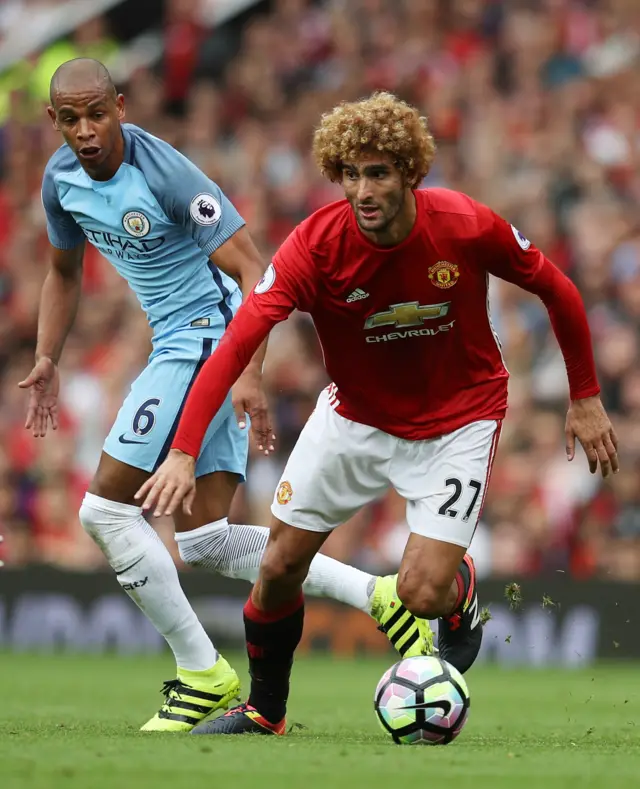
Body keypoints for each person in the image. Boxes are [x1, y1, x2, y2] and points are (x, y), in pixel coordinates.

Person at [137, 91, 619, 737]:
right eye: (351, 174)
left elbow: (555, 287)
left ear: (410, 173)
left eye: (378, 173)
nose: (362, 190)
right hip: (354, 417)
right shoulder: (314, 247)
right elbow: (239, 340)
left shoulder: (465, 224)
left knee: (420, 592)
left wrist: (585, 395)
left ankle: (457, 590)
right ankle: (265, 711)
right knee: (279, 564)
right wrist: (182, 449)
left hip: (459, 418)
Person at [21, 65, 433, 733]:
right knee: (207, 542)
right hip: (175, 344)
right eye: (70, 119)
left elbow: (253, 267)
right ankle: (380, 594)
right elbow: (63, 272)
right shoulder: (60, 180)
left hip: (206, 339)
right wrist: (46, 356)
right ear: (54, 121)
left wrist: (248, 367)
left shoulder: (166, 174)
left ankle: (201, 672)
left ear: (120, 106)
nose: (86, 130)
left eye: (96, 113)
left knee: (103, 512)